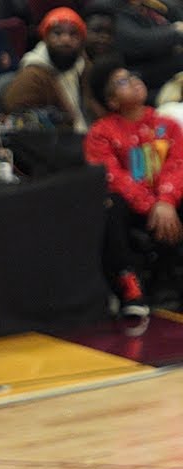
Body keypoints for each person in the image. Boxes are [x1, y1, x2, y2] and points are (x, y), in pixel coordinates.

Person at [84, 57, 170, 327]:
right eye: (122, 82)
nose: (133, 82)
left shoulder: (165, 124)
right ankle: (129, 285)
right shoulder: (101, 132)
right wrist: (152, 205)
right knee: (112, 203)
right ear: (111, 101)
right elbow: (115, 177)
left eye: (133, 76)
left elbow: (176, 166)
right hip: (132, 208)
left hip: (165, 203)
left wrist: (166, 200)